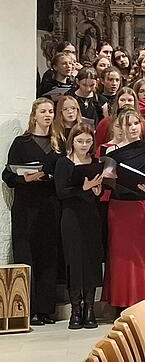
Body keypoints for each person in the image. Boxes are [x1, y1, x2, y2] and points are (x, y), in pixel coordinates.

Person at [3, 98, 60, 326]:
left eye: (51, 111)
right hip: (26, 207)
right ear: (34, 115)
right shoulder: (21, 143)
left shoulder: (58, 143)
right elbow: (7, 175)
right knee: (26, 256)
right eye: (43, 111)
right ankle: (28, 308)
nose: (48, 115)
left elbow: (64, 174)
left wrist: (50, 177)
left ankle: (45, 310)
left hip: (49, 206)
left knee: (48, 257)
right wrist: (23, 178)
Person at [104, 108, 145, 310]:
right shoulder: (111, 152)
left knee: (140, 257)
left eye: (136, 123)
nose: (133, 128)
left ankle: (141, 301)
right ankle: (120, 303)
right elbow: (107, 182)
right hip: (119, 208)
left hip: (142, 207)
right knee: (120, 256)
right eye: (128, 124)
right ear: (120, 127)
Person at [54, 123, 104, 329]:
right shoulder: (63, 163)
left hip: (91, 217)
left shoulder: (96, 162)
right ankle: (76, 309)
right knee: (74, 262)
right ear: (72, 141)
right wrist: (83, 187)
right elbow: (61, 192)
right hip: (71, 217)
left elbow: (99, 192)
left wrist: (97, 190)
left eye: (88, 141)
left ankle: (89, 309)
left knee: (91, 261)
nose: (84, 145)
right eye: (80, 141)